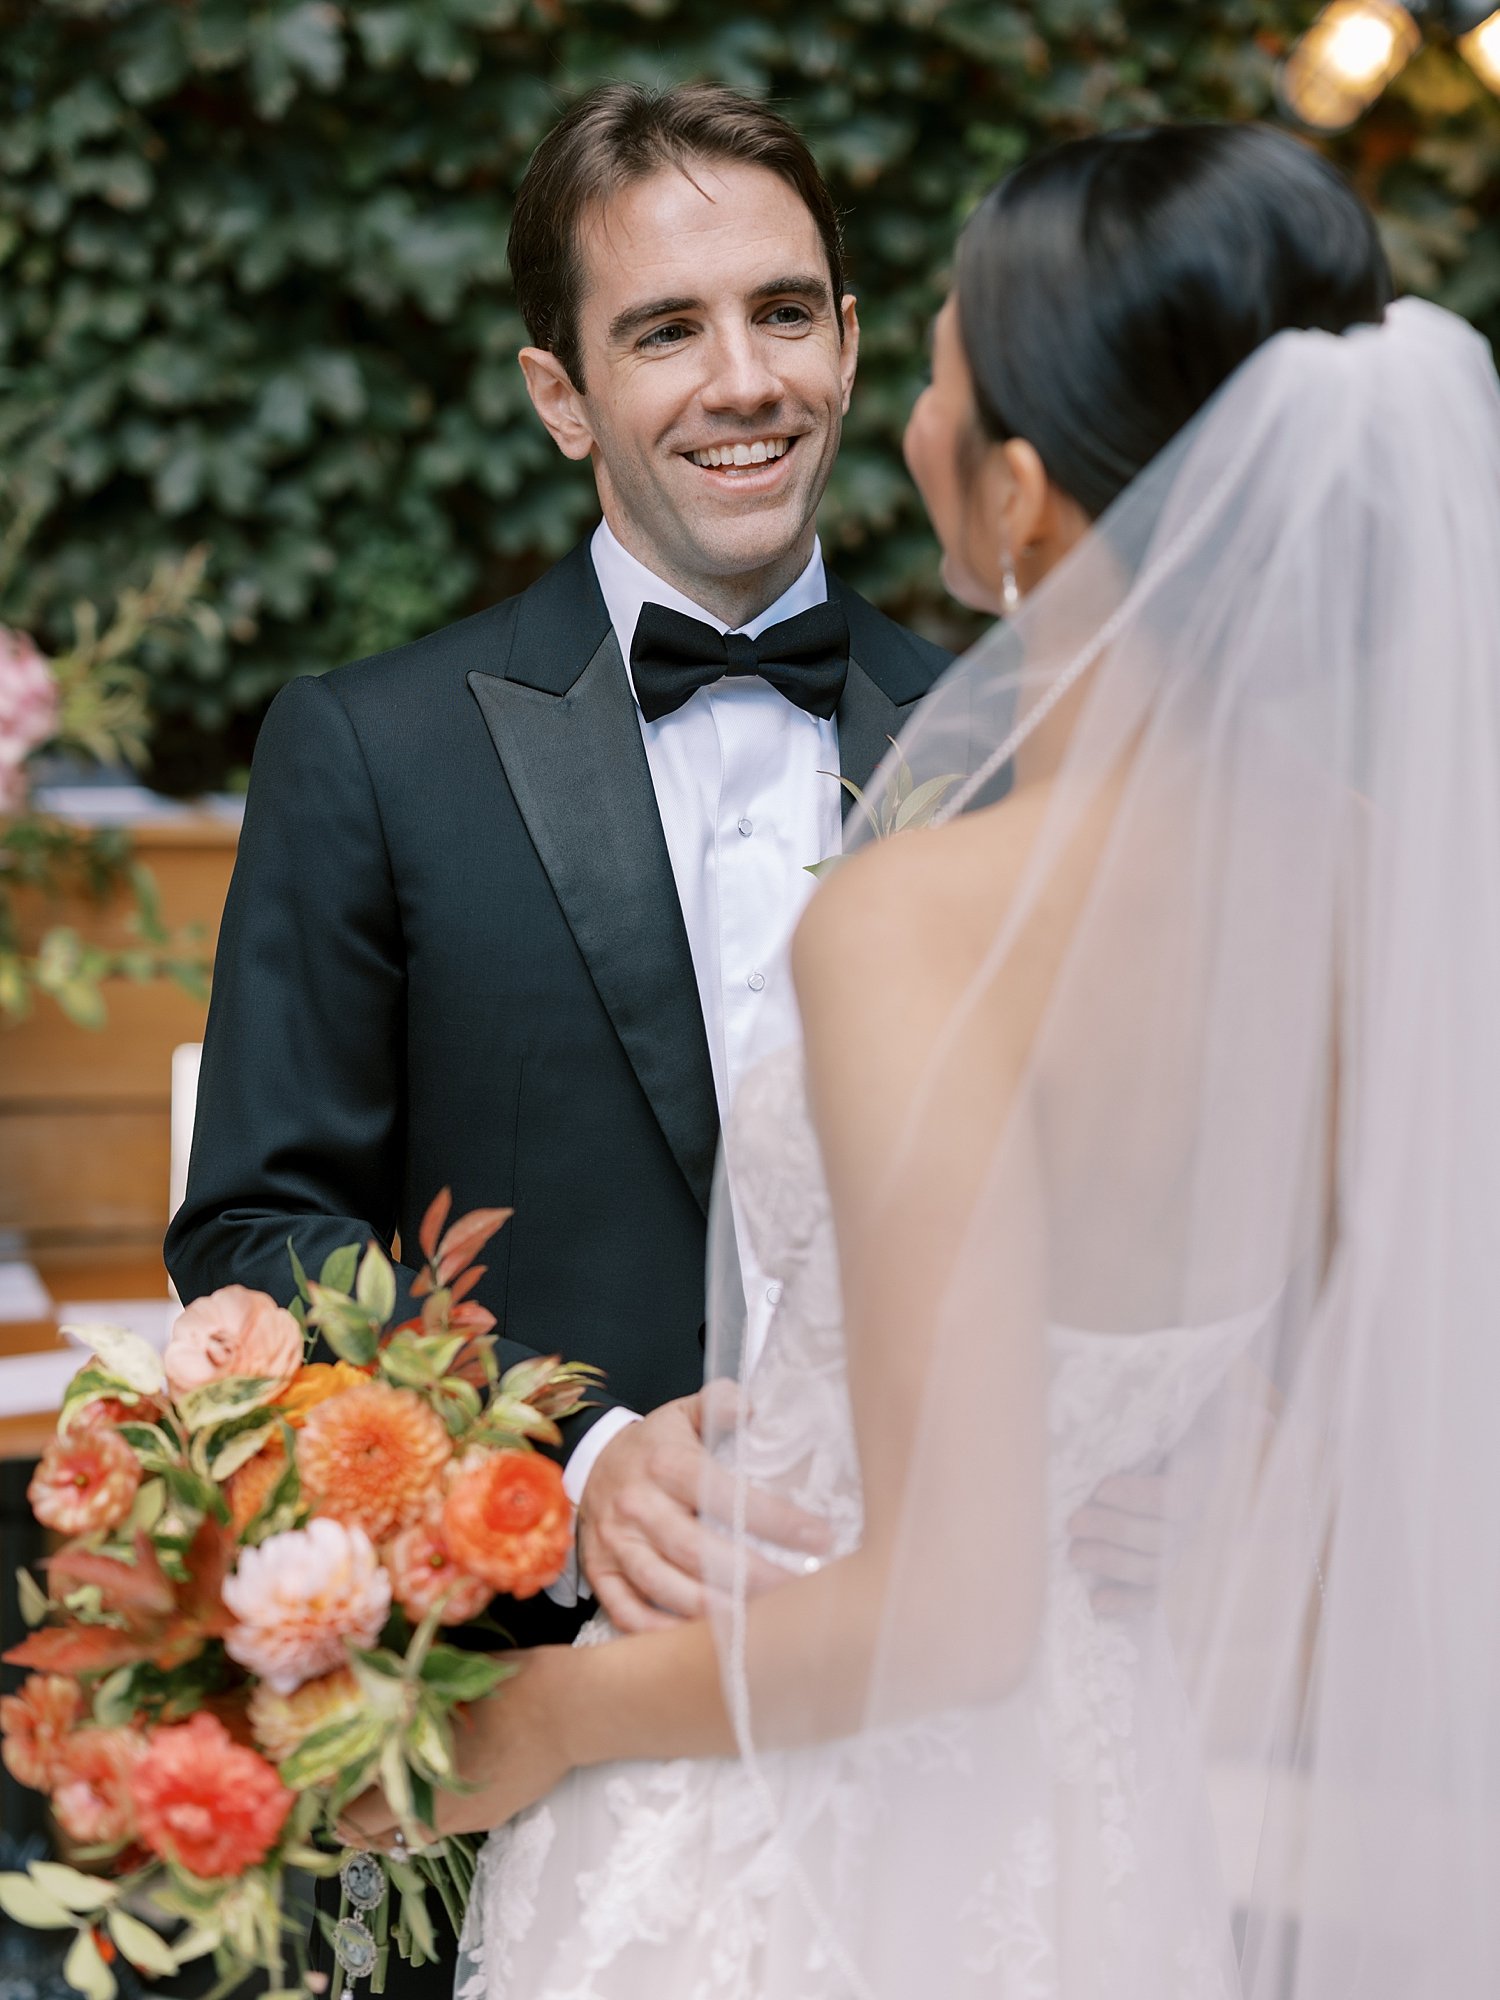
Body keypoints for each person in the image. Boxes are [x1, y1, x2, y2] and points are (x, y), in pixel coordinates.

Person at [344, 123, 1500, 1997]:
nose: (885, 422)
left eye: (931, 371)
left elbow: (944, 1614)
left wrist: (547, 1719)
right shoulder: (1385, 884)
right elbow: (1380, 1384)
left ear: (1023, 493)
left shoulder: (925, 912)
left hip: (768, 1825)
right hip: (1100, 1821)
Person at [166, 82, 1170, 1992]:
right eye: (665, 330)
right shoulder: (372, 750)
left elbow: (1143, 1208)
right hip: (552, 1758)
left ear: (856, 344)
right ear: (563, 397)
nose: (744, 380)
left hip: (972, 1753)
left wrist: (1176, 1459)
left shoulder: (1025, 743)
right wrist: (569, 1463)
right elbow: (257, 1236)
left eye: (787, 313)